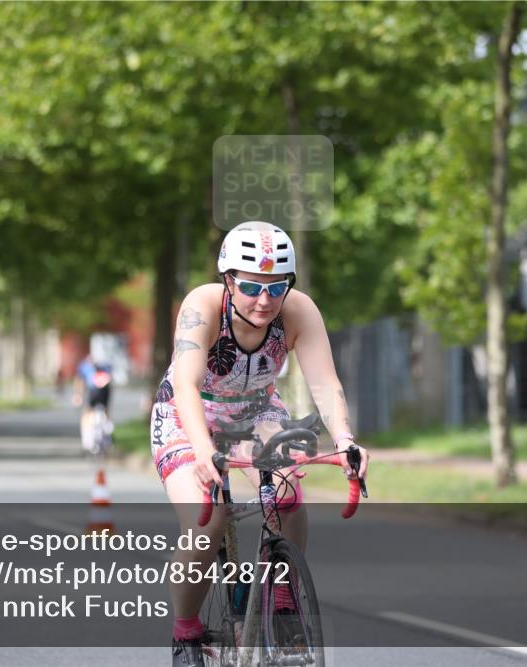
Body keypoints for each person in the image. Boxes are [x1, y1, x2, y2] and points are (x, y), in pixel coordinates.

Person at [149, 221, 370, 666]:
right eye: (251, 287)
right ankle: (186, 630)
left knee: (288, 493)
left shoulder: (298, 310)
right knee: (206, 527)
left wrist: (346, 439)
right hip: (188, 413)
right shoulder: (202, 306)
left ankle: (283, 595)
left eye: (277, 287)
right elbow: (188, 385)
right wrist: (203, 450)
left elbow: (325, 383)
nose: (265, 300)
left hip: (256, 411)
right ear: (228, 280)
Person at [73, 354, 113, 453]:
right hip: (105, 391)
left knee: (87, 412)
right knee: (106, 411)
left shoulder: (84, 367)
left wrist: (78, 395)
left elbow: (80, 382)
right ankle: (108, 435)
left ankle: (87, 441)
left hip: (92, 391)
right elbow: (110, 381)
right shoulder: (105, 366)